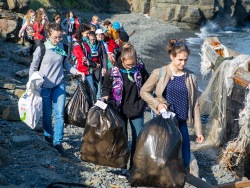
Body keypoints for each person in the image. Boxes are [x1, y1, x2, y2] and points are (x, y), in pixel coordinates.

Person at [140, 39, 204, 169]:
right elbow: (144, 92)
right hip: (165, 121)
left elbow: (195, 104)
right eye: (180, 59)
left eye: (185, 60)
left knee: (185, 155)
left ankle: (182, 177)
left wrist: (199, 131)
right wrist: (158, 104)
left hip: (181, 122)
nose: (183, 63)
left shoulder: (191, 76)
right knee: (163, 154)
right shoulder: (159, 73)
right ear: (172, 56)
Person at [29, 23, 85, 156]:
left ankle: (58, 142)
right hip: (44, 86)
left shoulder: (62, 46)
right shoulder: (41, 48)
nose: (58, 40)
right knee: (47, 114)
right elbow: (33, 66)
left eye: (60, 37)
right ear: (49, 35)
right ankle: (48, 134)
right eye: (56, 37)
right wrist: (31, 82)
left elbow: (65, 64)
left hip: (59, 84)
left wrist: (78, 72)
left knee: (59, 114)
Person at [101, 43, 149, 177]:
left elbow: (147, 85)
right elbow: (106, 88)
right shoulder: (113, 72)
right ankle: (122, 166)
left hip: (136, 108)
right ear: (122, 60)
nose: (131, 67)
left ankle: (134, 167)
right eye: (128, 65)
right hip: (119, 109)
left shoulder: (140, 70)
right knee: (122, 138)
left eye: (133, 64)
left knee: (138, 138)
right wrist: (104, 98)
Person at [71, 24, 95, 93]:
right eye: (87, 33)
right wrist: (93, 64)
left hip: (87, 70)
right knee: (82, 92)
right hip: (80, 71)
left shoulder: (84, 42)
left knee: (91, 91)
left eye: (89, 33)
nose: (88, 35)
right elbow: (82, 58)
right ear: (81, 33)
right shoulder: (76, 44)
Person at [87, 31, 108, 99]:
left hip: (98, 66)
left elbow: (104, 56)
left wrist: (104, 67)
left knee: (98, 81)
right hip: (89, 66)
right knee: (90, 82)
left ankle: (98, 96)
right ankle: (91, 96)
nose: (92, 41)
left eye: (94, 39)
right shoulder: (86, 45)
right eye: (91, 40)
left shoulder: (100, 44)